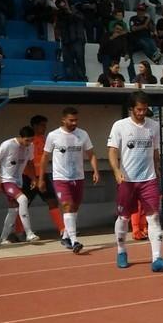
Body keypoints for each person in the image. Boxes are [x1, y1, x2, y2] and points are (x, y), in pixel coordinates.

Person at [108, 92, 163, 271]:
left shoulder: (154, 126)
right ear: (131, 109)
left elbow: (156, 150)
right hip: (127, 180)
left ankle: (157, 259)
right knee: (124, 217)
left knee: (154, 217)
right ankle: (121, 251)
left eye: (145, 109)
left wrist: (157, 168)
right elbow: (112, 151)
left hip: (148, 179)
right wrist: (116, 170)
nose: (142, 113)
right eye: (139, 109)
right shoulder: (119, 126)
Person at [39, 107, 99, 253]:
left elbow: (91, 154)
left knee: (74, 207)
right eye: (71, 120)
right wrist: (41, 178)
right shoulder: (54, 135)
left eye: (76, 120)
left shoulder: (82, 134)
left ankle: (66, 236)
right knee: (67, 205)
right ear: (63, 119)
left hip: (78, 177)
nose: (74, 123)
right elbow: (45, 157)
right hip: (60, 178)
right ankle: (74, 241)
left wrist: (96, 171)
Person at [0, 126, 39, 244]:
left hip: (18, 181)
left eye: (31, 140)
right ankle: (29, 233)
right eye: (27, 140)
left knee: (13, 211)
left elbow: (30, 163)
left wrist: (33, 178)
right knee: (23, 199)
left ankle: (2, 239)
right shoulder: (8, 145)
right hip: (6, 180)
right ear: (21, 137)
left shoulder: (30, 146)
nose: (29, 143)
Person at [22, 115, 66, 242]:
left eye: (45, 125)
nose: (44, 128)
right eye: (42, 125)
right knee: (23, 204)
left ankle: (62, 229)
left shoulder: (45, 139)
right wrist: (32, 178)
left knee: (52, 201)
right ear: (34, 126)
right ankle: (20, 231)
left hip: (42, 175)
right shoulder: (28, 140)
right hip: (28, 176)